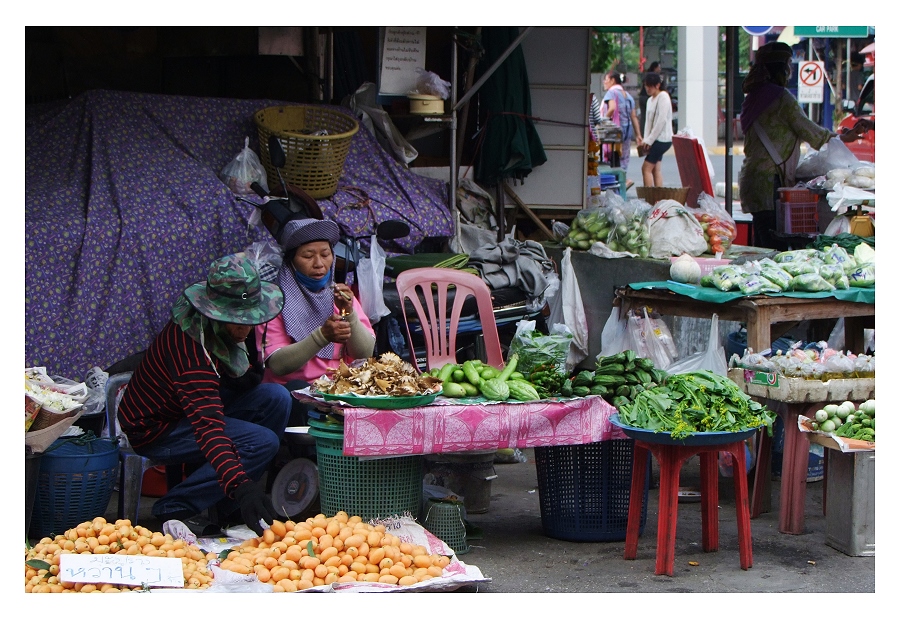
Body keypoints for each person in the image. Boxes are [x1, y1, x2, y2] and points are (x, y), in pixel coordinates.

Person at [117, 253, 292, 534]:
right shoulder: (191, 348)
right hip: (156, 426)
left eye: (249, 320)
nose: (245, 328)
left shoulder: (233, 330)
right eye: (236, 321)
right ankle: (175, 506)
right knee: (262, 442)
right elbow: (208, 427)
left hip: (192, 407)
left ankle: (226, 506)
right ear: (215, 312)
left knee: (276, 398)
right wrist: (244, 486)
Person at [738, 41, 869, 249]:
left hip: (751, 180)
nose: (790, 70)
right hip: (768, 182)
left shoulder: (754, 97)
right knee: (772, 248)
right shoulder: (780, 98)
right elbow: (810, 131)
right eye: (788, 65)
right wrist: (846, 137)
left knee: (761, 240)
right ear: (780, 68)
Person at [257, 218, 375, 418]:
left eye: (325, 254)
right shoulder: (272, 301)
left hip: (339, 389)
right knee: (296, 390)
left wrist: (350, 315)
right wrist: (322, 336)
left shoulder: (341, 297)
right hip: (294, 393)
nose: (319, 264)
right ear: (291, 261)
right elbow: (277, 365)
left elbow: (364, 353)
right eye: (308, 256)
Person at [600, 70, 642, 173]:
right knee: (623, 160)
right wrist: (638, 135)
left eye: (606, 79)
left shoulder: (611, 93)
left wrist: (602, 123)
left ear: (613, 80)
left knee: (610, 160)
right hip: (626, 133)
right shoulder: (628, 96)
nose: (604, 82)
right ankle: (623, 181)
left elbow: (612, 108)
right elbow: (634, 116)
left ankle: (613, 184)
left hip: (613, 134)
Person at [638, 72, 673, 187]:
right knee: (655, 169)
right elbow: (648, 122)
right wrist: (646, 139)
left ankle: (649, 199)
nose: (647, 88)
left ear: (657, 85)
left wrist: (650, 140)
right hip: (654, 139)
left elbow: (661, 121)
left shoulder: (663, 96)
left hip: (663, 139)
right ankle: (658, 198)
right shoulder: (650, 100)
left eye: (650, 85)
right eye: (646, 86)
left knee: (646, 168)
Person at [638, 61, 663, 127]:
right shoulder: (654, 77)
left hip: (642, 97)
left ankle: (643, 132)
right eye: (659, 67)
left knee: (644, 116)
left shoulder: (646, 75)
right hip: (646, 97)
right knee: (650, 117)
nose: (660, 69)